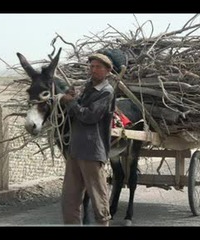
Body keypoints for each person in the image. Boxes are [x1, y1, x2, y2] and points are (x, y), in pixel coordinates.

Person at [59, 53, 116, 226]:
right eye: (91, 66)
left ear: (107, 71)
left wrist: (71, 103)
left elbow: (90, 116)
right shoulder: (86, 89)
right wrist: (70, 98)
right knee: (69, 199)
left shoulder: (106, 92)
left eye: (98, 67)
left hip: (92, 151)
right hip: (75, 150)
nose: (94, 70)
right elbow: (73, 114)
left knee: (98, 198)